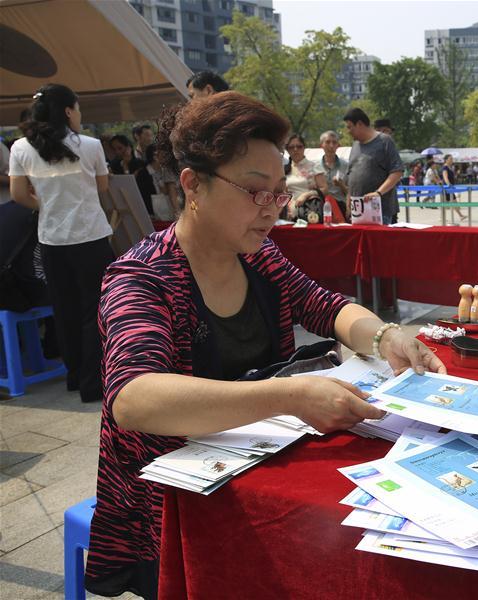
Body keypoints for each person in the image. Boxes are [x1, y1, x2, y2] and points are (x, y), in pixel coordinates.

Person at [84, 91, 446, 599]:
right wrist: (291, 396)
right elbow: (134, 399)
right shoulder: (142, 278)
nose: (272, 209)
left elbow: (326, 306)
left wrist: (388, 335)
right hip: (172, 504)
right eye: (255, 192)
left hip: (256, 465)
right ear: (194, 185)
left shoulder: (259, 256)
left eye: (279, 193)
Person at [8, 83, 116, 402]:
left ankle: (74, 376)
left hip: (52, 240)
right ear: (68, 111)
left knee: (64, 309)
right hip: (91, 237)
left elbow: (17, 195)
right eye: (78, 108)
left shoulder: (20, 148)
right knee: (95, 309)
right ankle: (93, 381)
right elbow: (103, 187)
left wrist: (47, 205)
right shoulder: (91, 145)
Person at [344, 108, 403, 224]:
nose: (348, 131)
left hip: (380, 211)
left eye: (350, 127)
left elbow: (397, 171)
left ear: (360, 124)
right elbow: (351, 174)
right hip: (357, 211)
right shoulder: (355, 145)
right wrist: (348, 199)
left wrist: (378, 193)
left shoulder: (385, 141)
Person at [283, 134, 322, 221]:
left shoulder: (315, 166)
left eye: (299, 146)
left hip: (310, 210)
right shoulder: (284, 169)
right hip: (289, 213)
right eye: (291, 147)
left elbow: (324, 189)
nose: (295, 149)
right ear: (287, 150)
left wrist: (306, 195)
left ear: (304, 148)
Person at [134, 143, 180, 218]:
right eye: (164, 154)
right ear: (155, 156)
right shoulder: (143, 174)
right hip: (152, 215)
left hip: (168, 213)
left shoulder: (166, 171)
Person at [313, 130, 349, 218]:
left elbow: (351, 192)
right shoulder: (314, 166)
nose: (331, 145)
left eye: (334, 142)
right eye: (328, 142)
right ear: (321, 145)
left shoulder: (346, 165)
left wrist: (341, 185)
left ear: (338, 145)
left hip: (340, 206)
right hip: (320, 206)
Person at [439, 155, 467, 222]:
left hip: (450, 188)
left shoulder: (449, 167)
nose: (452, 160)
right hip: (447, 188)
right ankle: (442, 217)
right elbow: (445, 177)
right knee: (446, 203)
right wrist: (448, 184)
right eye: (450, 159)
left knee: (453, 202)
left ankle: (460, 216)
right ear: (446, 160)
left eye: (452, 159)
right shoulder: (445, 167)